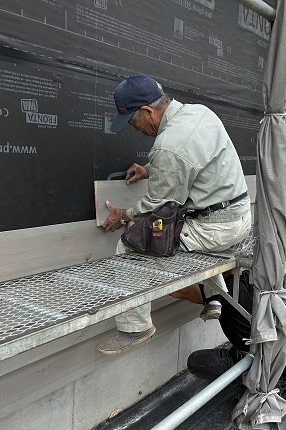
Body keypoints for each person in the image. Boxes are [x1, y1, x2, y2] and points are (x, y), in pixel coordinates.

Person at [99, 74, 252, 355]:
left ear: (147, 111)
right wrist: (152, 169)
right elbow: (192, 161)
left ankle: (134, 327)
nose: (137, 130)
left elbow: (157, 208)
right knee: (179, 232)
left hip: (216, 227)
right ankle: (214, 296)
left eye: (133, 122)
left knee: (131, 245)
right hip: (237, 216)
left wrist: (123, 215)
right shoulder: (199, 112)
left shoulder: (168, 146)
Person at [187, 271, 286, 396]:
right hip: (273, 350)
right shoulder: (254, 279)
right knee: (255, 349)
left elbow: (183, 291)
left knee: (194, 361)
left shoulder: (222, 293)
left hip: (255, 360)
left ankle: (252, 383)